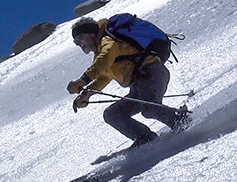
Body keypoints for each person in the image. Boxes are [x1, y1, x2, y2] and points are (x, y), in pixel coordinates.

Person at [66, 17, 189, 147]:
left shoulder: (108, 41)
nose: (79, 44)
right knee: (112, 114)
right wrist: (86, 94)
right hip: (139, 85)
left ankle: (181, 121)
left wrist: (82, 80)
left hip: (151, 73)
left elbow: (104, 61)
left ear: (90, 33)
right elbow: (104, 77)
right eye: (76, 41)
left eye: (79, 39)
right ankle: (145, 138)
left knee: (150, 108)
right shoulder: (99, 51)